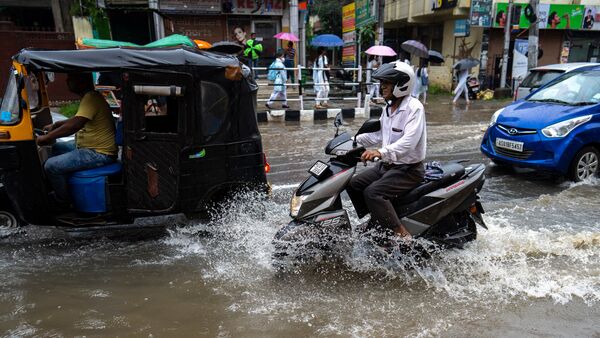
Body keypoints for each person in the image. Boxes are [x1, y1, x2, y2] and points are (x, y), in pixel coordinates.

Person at [346, 61, 426, 240]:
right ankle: (378, 219)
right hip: (388, 166)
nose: (382, 87)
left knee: (373, 192)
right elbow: (377, 136)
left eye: (386, 83)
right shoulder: (389, 109)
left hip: (408, 170)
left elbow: (409, 142)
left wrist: (380, 153)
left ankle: (400, 232)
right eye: (382, 83)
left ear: (401, 84)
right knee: (353, 184)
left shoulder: (414, 108)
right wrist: (350, 143)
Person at [37, 73, 117, 204]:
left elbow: (74, 126)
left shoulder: (91, 97)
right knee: (57, 147)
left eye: (71, 78)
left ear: (81, 81)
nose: (67, 81)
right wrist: (57, 124)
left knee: (50, 166)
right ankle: (63, 185)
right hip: (88, 147)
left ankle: (64, 201)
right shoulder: (90, 97)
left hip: (98, 153)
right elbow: (77, 119)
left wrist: (46, 137)